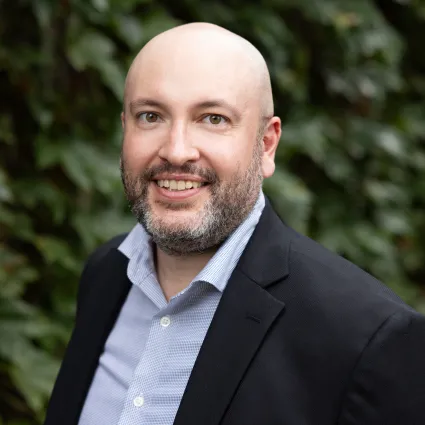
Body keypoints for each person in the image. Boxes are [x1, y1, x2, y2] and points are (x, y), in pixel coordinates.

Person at [44, 22, 425, 425]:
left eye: (213, 119)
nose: (177, 151)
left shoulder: (366, 337)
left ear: (266, 144)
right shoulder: (106, 274)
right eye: (151, 116)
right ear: (125, 129)